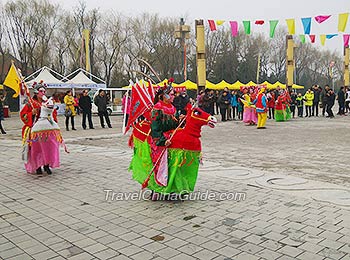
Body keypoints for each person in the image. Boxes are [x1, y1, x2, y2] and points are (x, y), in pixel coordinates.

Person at [20, 82, 65, 174]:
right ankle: (37, 166)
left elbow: (53, 114)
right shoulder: (30, 103)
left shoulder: (48, 102)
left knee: (48, 147)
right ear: (36, 92)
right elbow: (23, 115)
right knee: (36, 148)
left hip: (47, 129)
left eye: (44, 91)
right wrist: (31, 113)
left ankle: (47, 165)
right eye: (41, 91)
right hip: (34, 129)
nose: (43, 93)